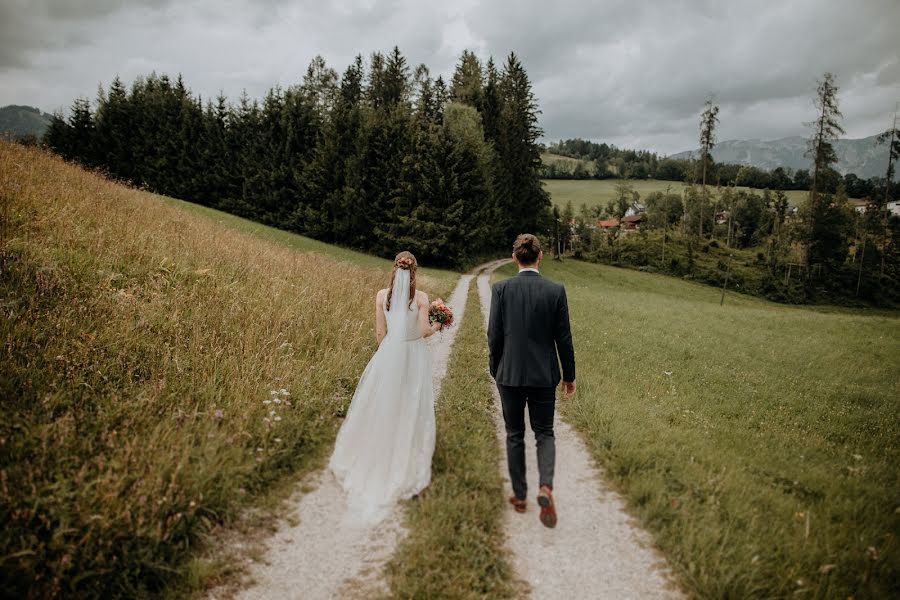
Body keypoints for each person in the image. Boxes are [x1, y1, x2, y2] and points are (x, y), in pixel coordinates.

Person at [329, 251, 442, 525]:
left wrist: (387, 356)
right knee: (410, 401)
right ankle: (403, 455)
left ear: (395, 269)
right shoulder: (422, 298)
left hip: (389, 352)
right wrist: (440, 324)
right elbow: (425, 331)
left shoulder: (382, 296)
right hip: (414, 354)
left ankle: (373, 452)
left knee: (381, 402)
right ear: (415, 271)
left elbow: (380, 334)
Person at [487, 234, 576, 528]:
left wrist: (495, 368)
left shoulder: (501, 289)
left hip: (509, 374)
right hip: (543, 375)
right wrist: (569, 377)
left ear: (514, 258)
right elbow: (564, 339)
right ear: (540, 257)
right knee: (544, 433)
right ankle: (546, 487)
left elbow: (494, 336)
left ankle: (521, 496)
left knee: (514, 433)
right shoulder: (555, 291)